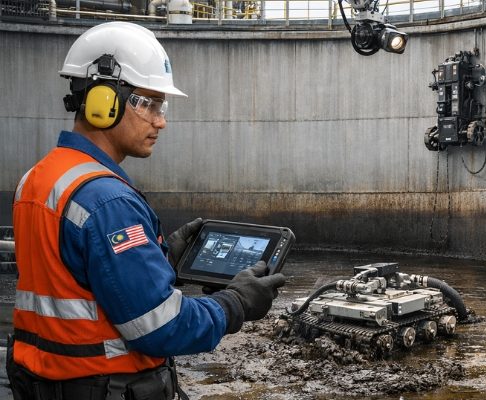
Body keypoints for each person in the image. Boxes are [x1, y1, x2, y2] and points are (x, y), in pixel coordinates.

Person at [7, 21, 286, 400]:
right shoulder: (109, 201)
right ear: (103, 102)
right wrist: (235, 303)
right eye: (148, 104)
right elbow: (162, 328)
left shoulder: (38, 179)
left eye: (162, 105)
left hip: (45, 383)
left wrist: (162, 257)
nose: (161, 120)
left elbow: (72, 277)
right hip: (103, 386)